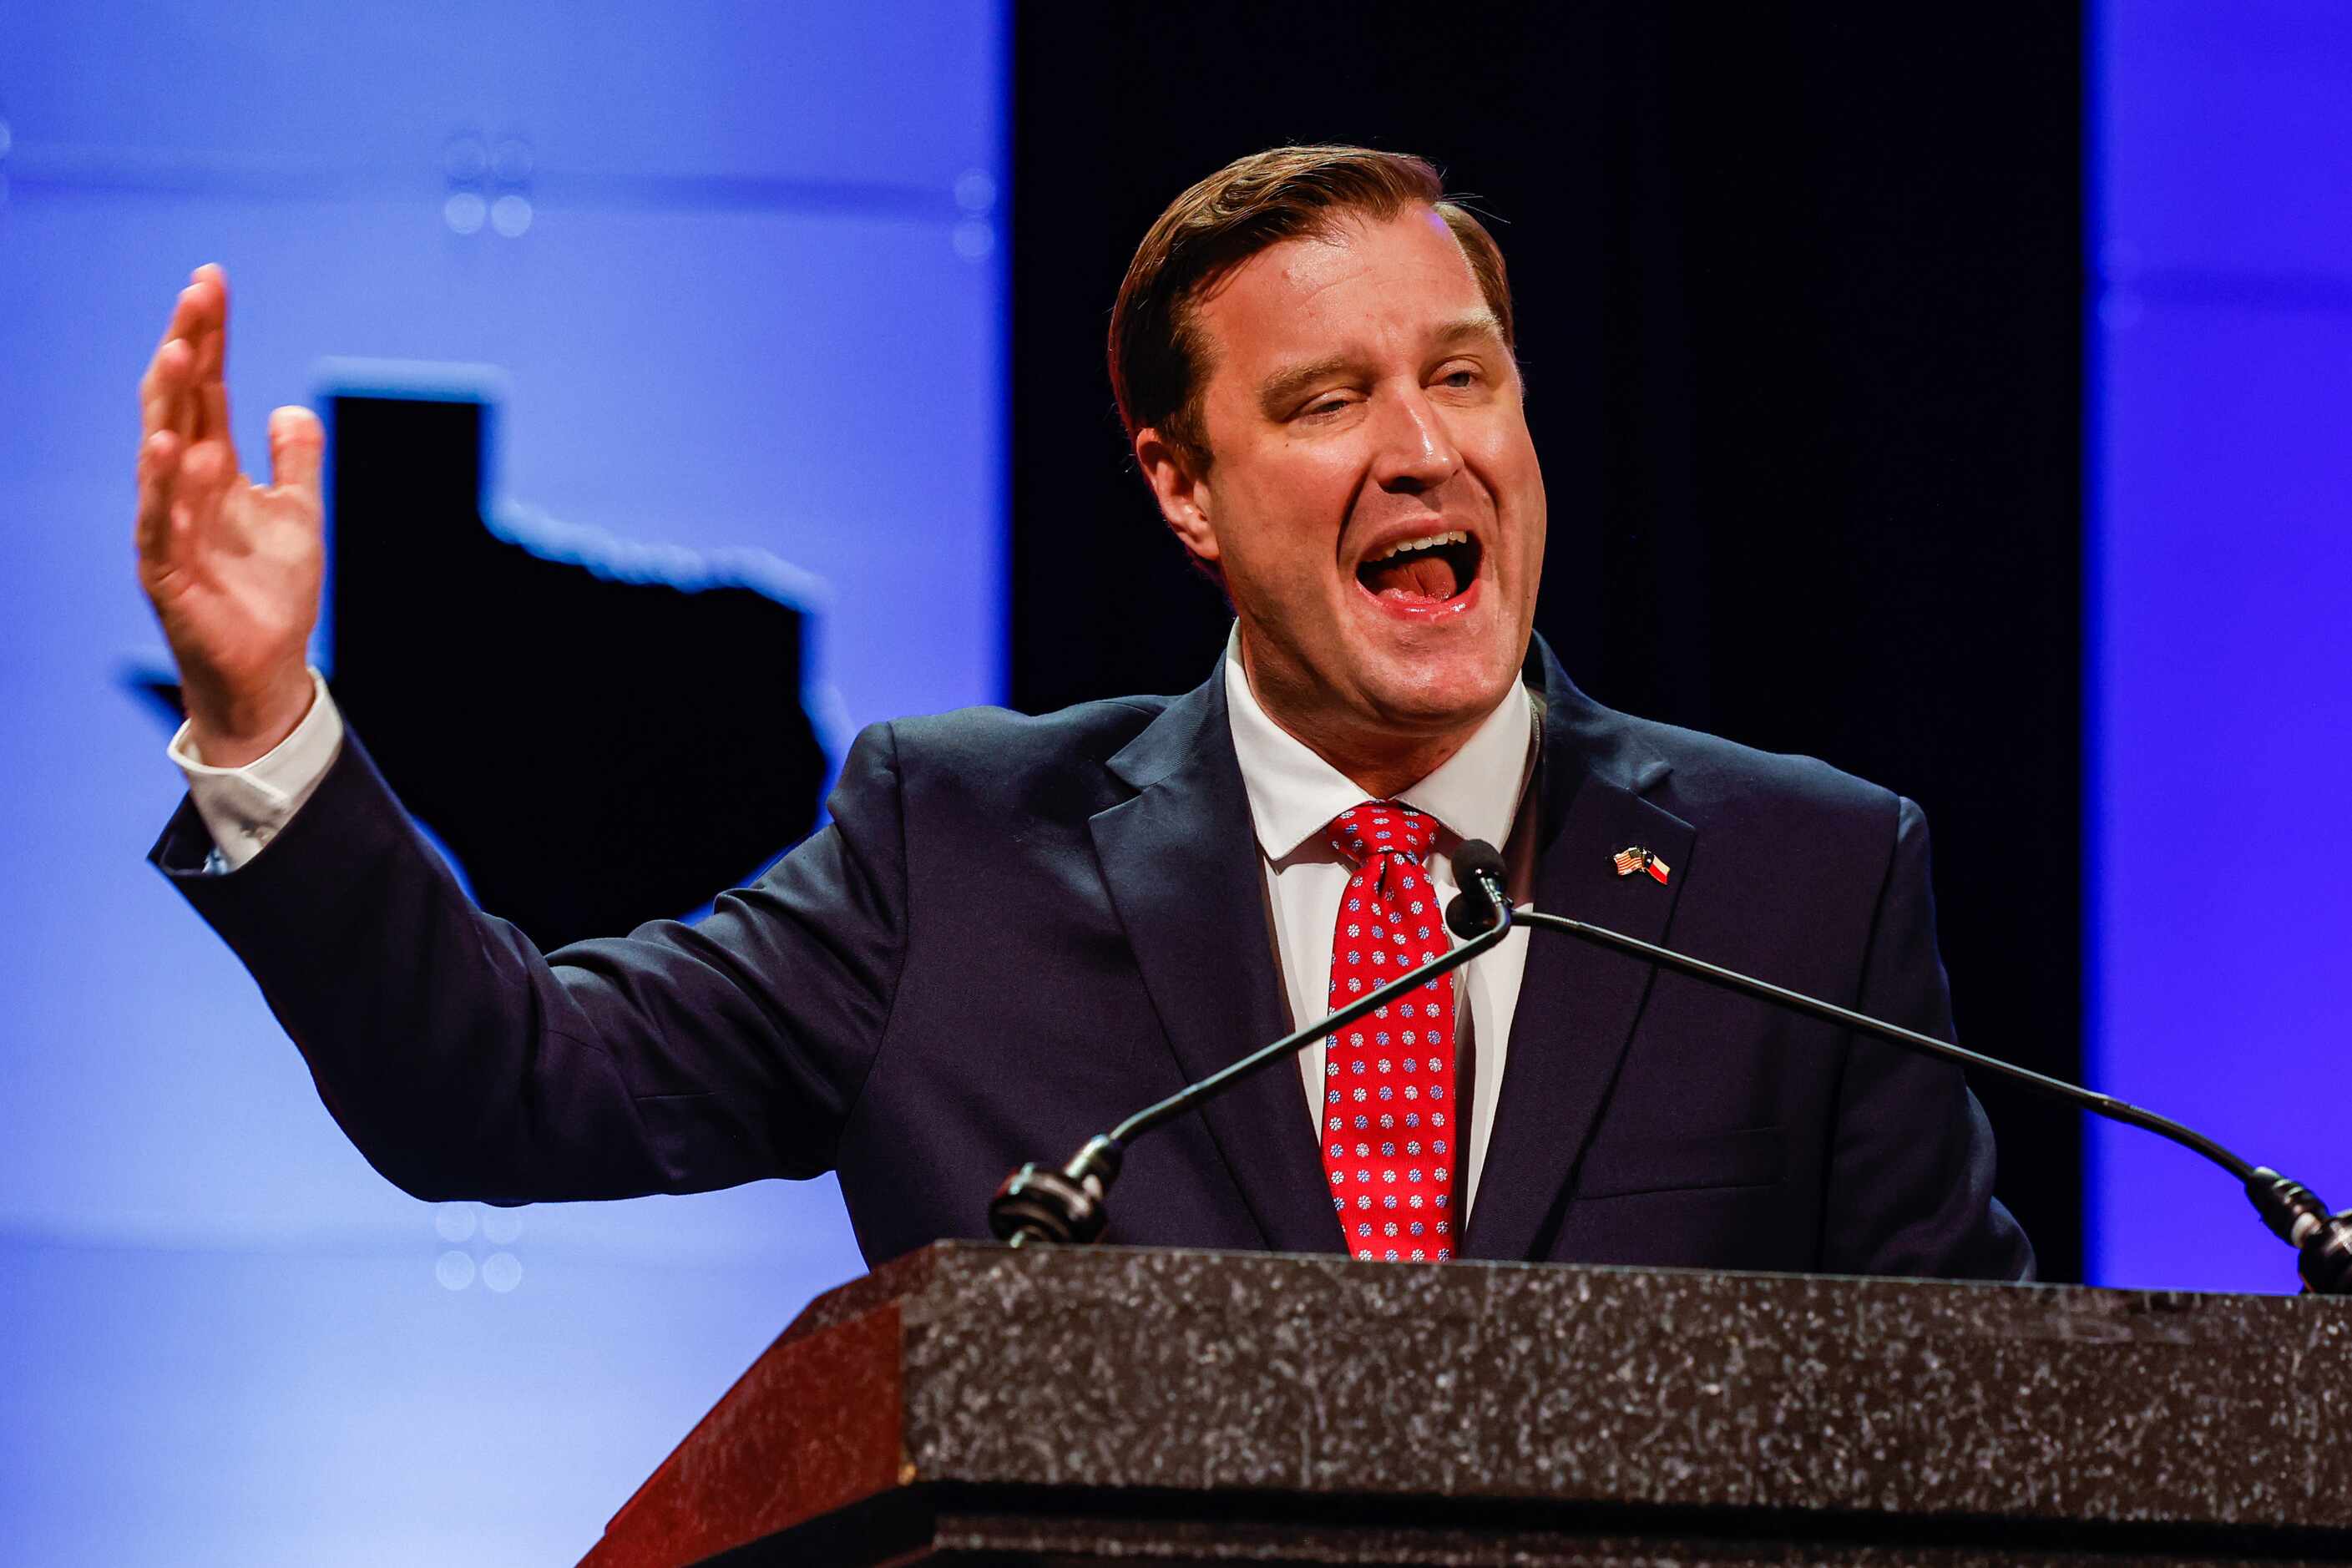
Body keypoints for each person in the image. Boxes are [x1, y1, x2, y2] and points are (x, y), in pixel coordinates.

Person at [135, 145, 2032, 1278]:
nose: (1418, 447)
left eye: (1462, 376)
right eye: (1322, 401)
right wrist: (263, 718)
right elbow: (509, 1088)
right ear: (1181, 489)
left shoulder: (1804, 879)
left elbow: (1964, 1439)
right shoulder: (950, 848)